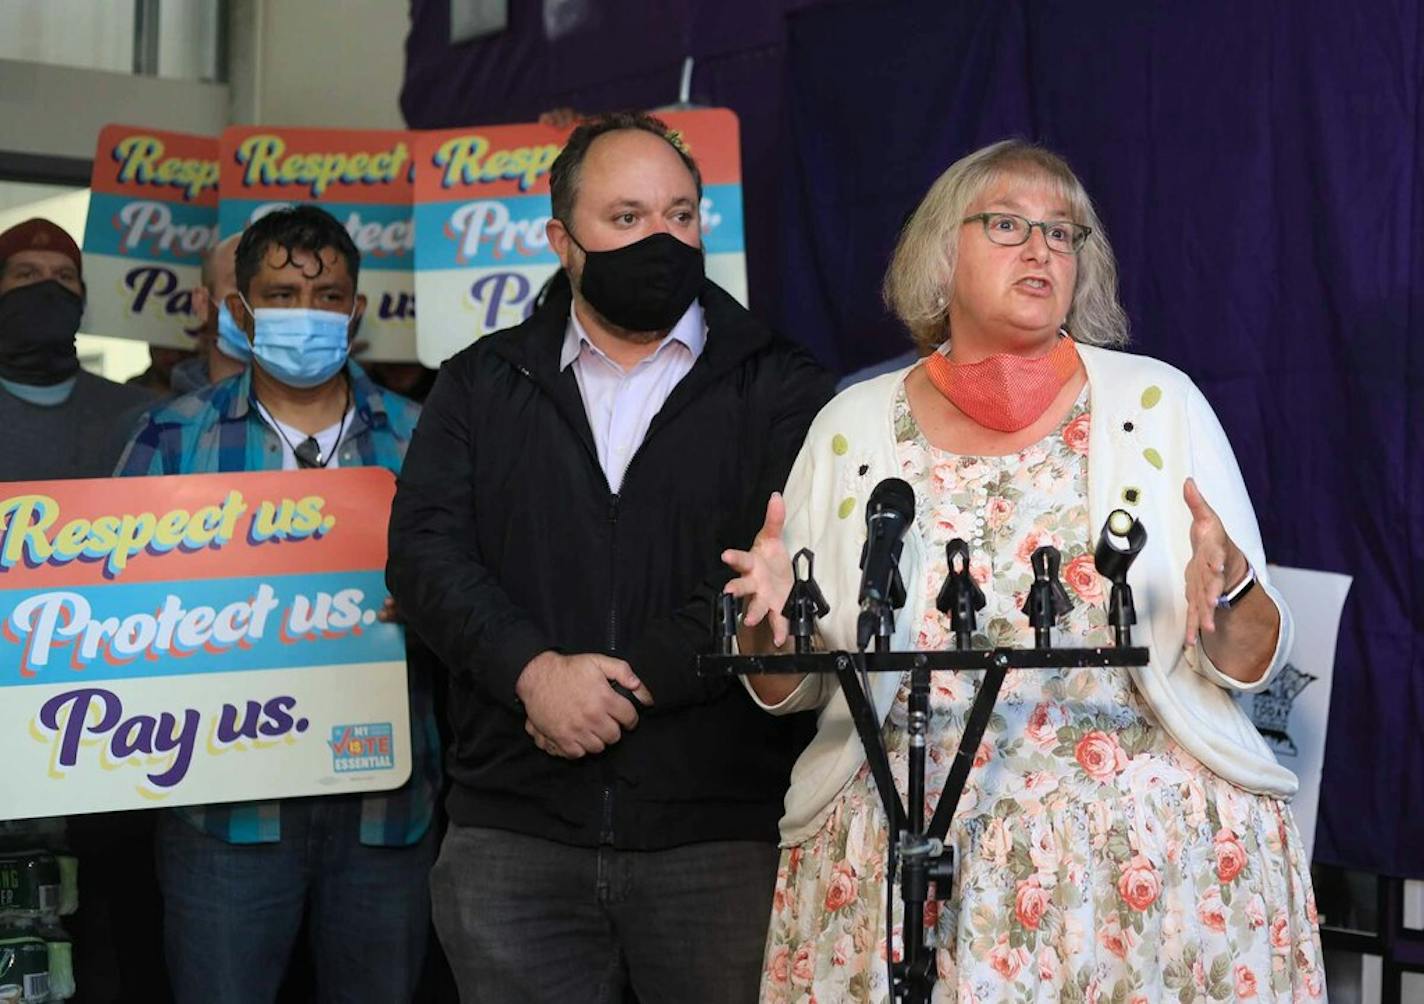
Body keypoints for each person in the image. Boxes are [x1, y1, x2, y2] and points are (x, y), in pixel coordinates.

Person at [723, 140, 1325, 1002]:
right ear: (941, 252)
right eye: (1007, 225)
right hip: (906, 840)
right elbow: (795, 687)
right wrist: (768, 628)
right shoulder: (853, 425)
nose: (1041, 248)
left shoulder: (1160, 404)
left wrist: (1228, 588)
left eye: (1063, 232)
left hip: (1143, 854)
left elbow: (1251, 661)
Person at [386, 111, 835, 1003]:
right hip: (513, 838)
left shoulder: (785, 383)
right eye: (625, 219)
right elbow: (424, 554)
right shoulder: (480, 381)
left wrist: (624, 681)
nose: (658, 240)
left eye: (678, 215)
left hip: (721, 838)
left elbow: (792, 564)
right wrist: (531, 673)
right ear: (563, 239)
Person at [115, 205, 441, 1004]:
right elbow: (107, 609)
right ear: (239, 312)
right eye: (282, 294)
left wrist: (435, 608)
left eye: (327, 295)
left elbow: (488, 598)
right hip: (225, 815)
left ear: (356, 313)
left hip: (385, 812)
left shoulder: (425, 440)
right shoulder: (170, 439)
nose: (307, 313)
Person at [0, 217, 155, 480]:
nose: (49, 288)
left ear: (81, 299)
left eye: (65, 276)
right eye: (27, 274)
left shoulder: (140, 416)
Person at [170, 232, 249, 393]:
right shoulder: (157, 418)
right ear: (203, 304)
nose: (261, 300)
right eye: (242, 284)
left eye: (283, 292)